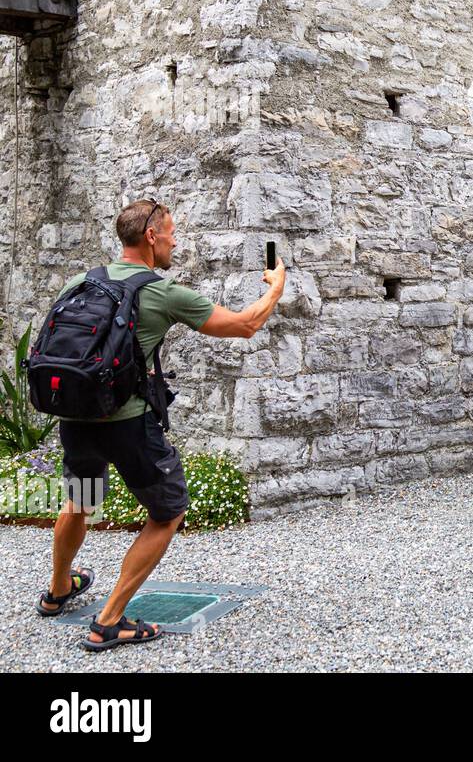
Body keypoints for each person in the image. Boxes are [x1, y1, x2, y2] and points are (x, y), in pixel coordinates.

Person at [36, 199, 286, 651]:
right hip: (129, 428)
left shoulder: (79, 282)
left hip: (77, 421)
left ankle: (57, 593)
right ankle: (109, 620)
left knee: (81, 501)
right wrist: (274, 288)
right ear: (151, 236)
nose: (175, 241)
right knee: (167, 513)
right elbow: (245, 325)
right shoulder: (162, 292)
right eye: (171, 233)